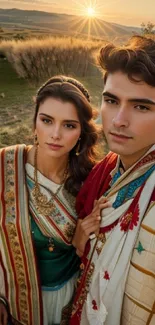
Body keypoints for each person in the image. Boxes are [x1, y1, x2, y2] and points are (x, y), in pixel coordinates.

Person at [0, 75, 109, 325]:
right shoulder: (5, 166)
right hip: (13, 301)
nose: (55, 134)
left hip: (69, 299)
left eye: (69, 125)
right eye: (47, 121)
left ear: (82, 131)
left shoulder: (92, 180)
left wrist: (80, 242)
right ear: (35, 121)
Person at [70, 35, 155, 325]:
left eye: (141, 107)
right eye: (111, 100)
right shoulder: (105, 169)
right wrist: (79, 239)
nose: (119, 120)